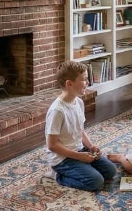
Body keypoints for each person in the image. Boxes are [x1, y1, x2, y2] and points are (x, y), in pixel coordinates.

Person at [44, 61, 117, 191]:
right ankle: (57, 175)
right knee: (95, 181)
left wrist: (91, 146)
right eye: (84, 79)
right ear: (69, 83)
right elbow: (52, 145)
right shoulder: (57, 111)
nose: (88, 83)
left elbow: (80, 130)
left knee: (111, 170)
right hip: (62, 159)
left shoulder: (79, 102)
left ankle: (83, 168)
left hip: (79, 150)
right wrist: (79, 157)